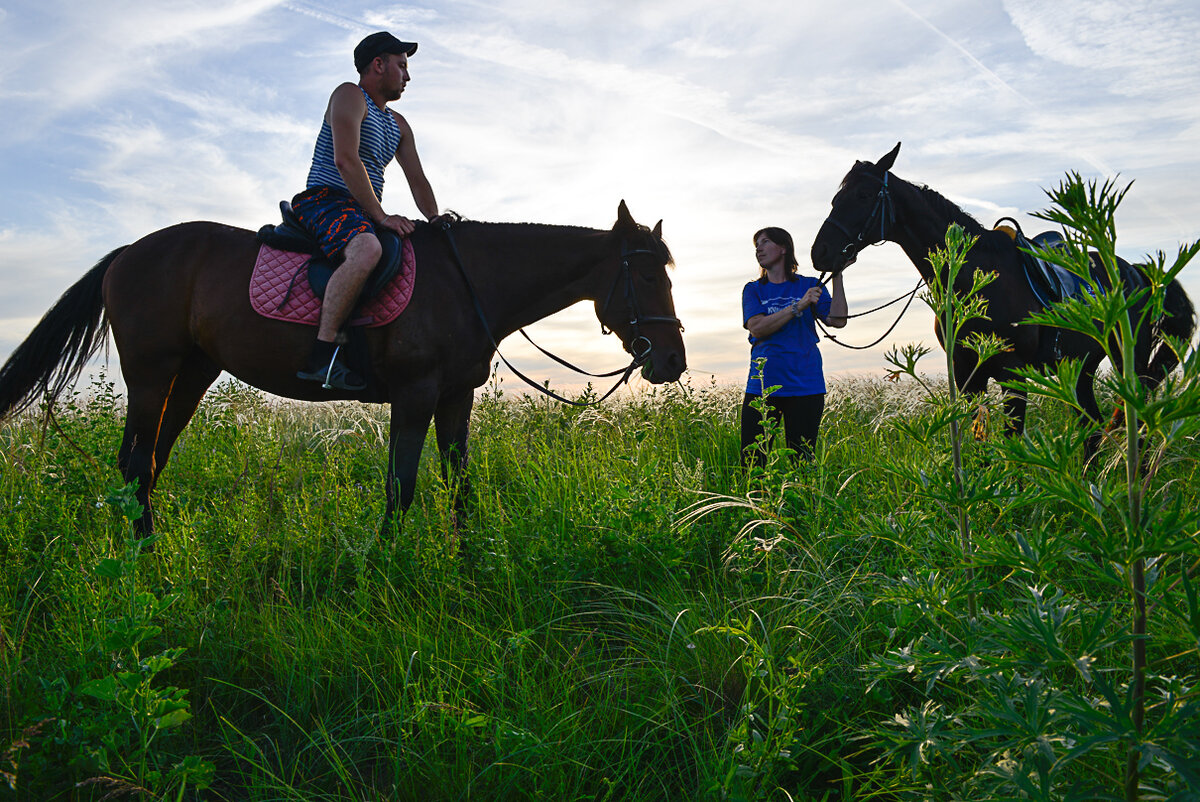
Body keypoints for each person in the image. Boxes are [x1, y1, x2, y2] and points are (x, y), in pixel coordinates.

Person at [292, 31, 441, 390]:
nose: (407, 76)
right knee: (368, 248)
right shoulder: (349, 95)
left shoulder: (399, 124)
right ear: (378, 64)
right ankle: (322, 357)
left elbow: (417, 180)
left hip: (359, 208)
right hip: (324, 200)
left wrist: (436, 221)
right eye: (402, 66)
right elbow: (346, 160)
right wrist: (381, 216)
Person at [741, 226, 847, 462]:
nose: (759, 248)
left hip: (805, 387)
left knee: (803, 461)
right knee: (752, 462)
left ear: (783, 248)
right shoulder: (754, 290)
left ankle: (803, 499)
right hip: (762, 387)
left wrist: (838, 276)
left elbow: (838, 320)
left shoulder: (808, 284)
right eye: (756, 244)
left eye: (765, 242)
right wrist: (799, 306)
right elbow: (757, 327)